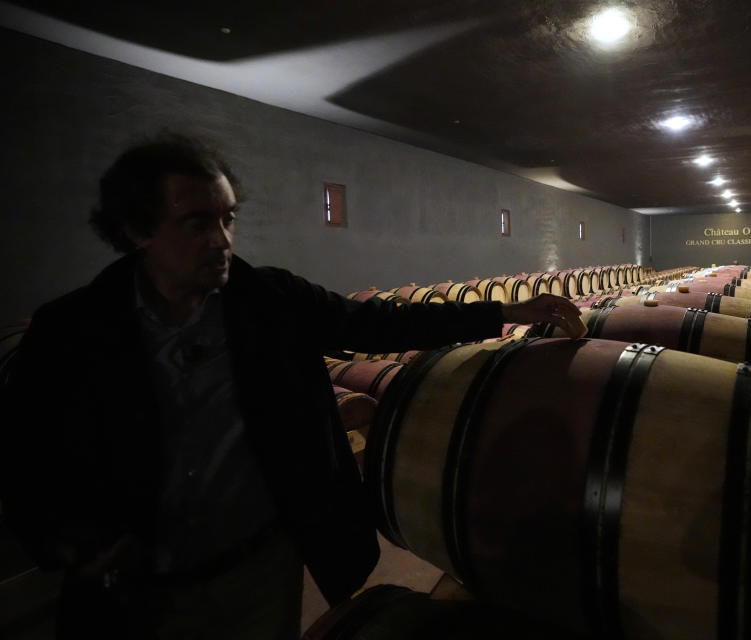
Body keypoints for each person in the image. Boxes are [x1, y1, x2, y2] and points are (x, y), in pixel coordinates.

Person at [0, 133, 586, 639]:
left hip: (257, 563)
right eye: (197, 223)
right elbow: (25, 451)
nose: (222, 239)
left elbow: (380, 324)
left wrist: (505, 311)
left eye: (228, 218)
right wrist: (65, 542)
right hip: (134, 584)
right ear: (135, 229)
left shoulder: (269, 300)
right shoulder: (72, 330)